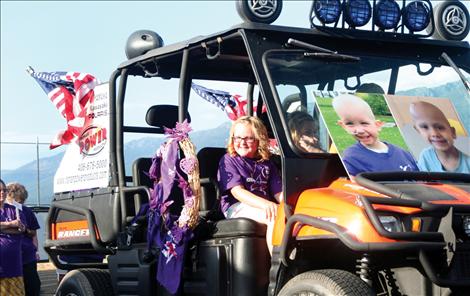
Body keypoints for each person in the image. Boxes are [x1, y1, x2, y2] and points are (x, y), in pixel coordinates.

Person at [217, 116, 282, 254]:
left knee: (290, 214)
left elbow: (279, 193)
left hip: (262, 205)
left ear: (260, 140)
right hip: (236, 207)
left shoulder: (267, 163)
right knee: (275, 216)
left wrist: (292, 207)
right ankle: (278, 267)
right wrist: (266, 205)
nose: (242, 142)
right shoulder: (229, 160)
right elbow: (237, 192)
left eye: (248, 138)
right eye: (238, 138)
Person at [332, 93, 418, 176]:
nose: (359, 130)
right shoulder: (351, 159)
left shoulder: (403, 153)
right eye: (350, 123)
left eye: (364, 123)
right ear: (343, 126)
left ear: (378, 125)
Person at [409, 100, 470, 173]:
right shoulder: (425, 157)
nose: (434, 133)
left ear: (453, 132)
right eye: (425, 127)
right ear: (418, 131)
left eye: (440, 127)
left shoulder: (468, 164)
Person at [6, 183, 41, 296]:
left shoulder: (27, 211)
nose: (20, 204)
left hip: (27, 256)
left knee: (33, 287)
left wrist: (36, 250)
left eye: (22, 202)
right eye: (17, 201)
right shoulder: (3, 210)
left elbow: (34, 233)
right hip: (9, 257)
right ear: (9, 197)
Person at [0, 179, 26, 296]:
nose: (2, 193)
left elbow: (22, 229)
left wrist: (3, 228)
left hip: (14, 266)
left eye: (4, 190)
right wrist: (10, 224)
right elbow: (16, 226)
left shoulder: (14, 209)